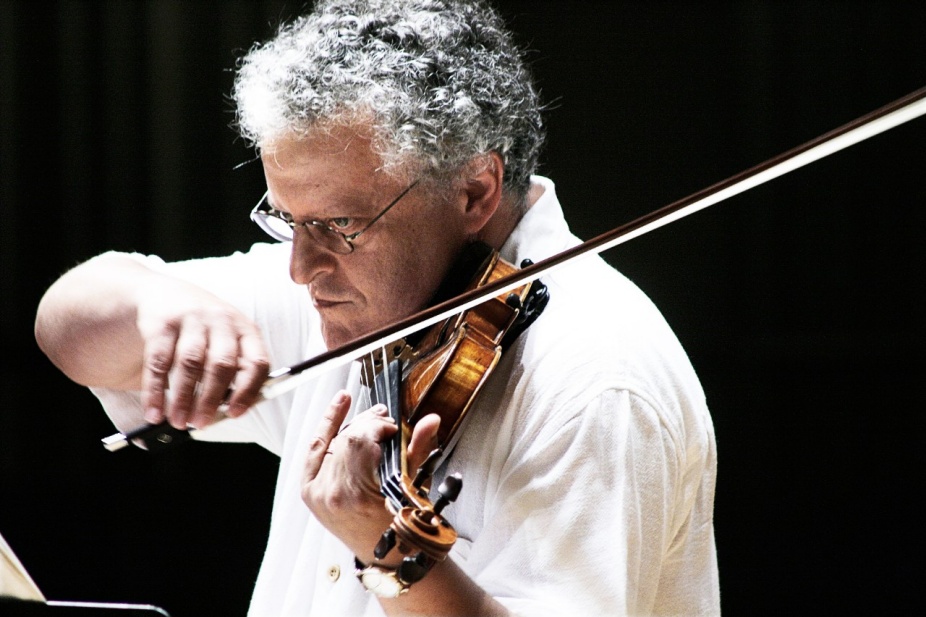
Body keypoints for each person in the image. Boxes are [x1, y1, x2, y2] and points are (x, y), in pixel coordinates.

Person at [34, 0, 720, 615]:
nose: (302, 267)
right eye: (287, 219)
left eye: (340, 224)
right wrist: (159, 301)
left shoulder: (596, 377)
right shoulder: (352, 291)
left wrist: (393, 554)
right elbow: (69, 327)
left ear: (476, 190)